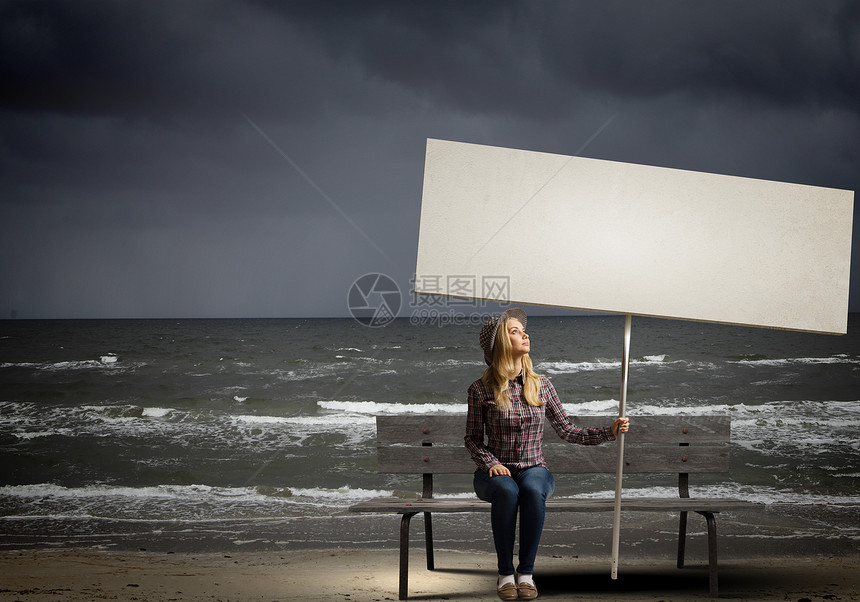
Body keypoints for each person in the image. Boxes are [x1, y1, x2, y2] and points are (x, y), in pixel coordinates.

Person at [465, 308, 629, 600]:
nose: (524, 334)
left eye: (523, 330)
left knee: (530, 488)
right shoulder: (481, 390)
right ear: (501, 343)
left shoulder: (542, 385)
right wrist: (491, 463)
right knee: (506, 489)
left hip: (534, 468)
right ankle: (505, 574)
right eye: (514, 331)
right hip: (493, 473)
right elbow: (473, 439)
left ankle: (525, 573)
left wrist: (609, 431)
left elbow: (567, 430)